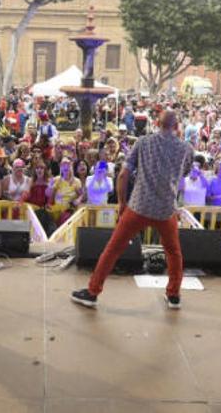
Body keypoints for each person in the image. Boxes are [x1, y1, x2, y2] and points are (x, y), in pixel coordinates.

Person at [71, 110, 191, 310]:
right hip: (166, 209)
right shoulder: (186, 148)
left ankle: (92, 292)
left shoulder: (143, 142)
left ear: (156, 122)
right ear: (176, 125)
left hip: (138, 207)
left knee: (113, 249)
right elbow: (183, 174)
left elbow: (123, 174)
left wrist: (121, 202)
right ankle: (173, 296)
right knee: (173, 252)